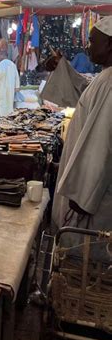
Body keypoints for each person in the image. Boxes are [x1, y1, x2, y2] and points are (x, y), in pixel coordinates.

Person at [52, 17, 112, 260]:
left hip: (93, 203)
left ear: (109, 45)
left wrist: (82, 195)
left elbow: (101, 145)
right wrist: (60, 67)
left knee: (83, 260)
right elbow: (85, 90)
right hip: (95, 194)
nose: (87, 46)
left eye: (92, 41)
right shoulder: (105, 77)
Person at [0, 43, 20, 123]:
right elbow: (17, 82)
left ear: (2, 55)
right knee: (7, 113)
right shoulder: (13, 65)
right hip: (9, 94)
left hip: (0, 93)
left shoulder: (2, 64)